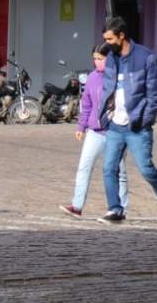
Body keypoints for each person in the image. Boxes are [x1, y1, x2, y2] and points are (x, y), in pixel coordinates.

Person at [98, 17, 157, 224]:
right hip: (115, 124)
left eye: (110, 38)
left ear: (121, 36)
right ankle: (115, 208)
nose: (107, 43)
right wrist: (104, 113)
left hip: (137, 125)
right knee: (109, 168)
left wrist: (145, 119)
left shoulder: (146, 58)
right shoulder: (112, 58)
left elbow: (154, 93)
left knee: (145, 168)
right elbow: (107, 86)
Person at [60, 43, 129, 219]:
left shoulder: (120, 77)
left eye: (101, 58)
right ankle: (77, 206)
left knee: (118, 172)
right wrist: (81, 126)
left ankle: (120, 209)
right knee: (84, 167)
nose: (97, 62)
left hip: (116, 132)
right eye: (95, 58)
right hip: (95, 131)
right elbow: (87, 104)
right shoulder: (92, 78)